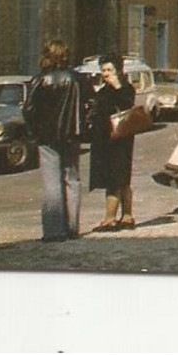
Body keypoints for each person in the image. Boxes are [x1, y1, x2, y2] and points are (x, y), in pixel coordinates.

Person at [23, 39, 83, 242]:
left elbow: (29, 109)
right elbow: (89, 105)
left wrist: (35, 131)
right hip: (72, 136)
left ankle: (53, 231)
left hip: (47, 138)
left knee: (51, 183)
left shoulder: (39, 80)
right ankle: (73, 228)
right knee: (72, 180)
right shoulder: (76, 79)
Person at [88, 54, 138, 230]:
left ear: (118, 70)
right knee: (120, 179)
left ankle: (110, 219)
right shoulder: (102, 91)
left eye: (109, 70)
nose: (106, 73)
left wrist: (117, 86)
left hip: (121, 138)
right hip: (107, 140)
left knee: (117, 180)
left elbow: (127, 105)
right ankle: (126, 217)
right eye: (103, 70)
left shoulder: (125, 88)